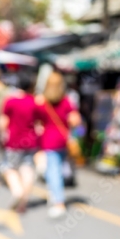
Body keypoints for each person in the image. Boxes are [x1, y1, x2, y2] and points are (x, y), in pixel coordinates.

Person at [35, 71, 81, 219]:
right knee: (59, 170)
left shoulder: (42, 102)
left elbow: (37, 121)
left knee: (53, 171)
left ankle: (58, 201)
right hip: (63, 139)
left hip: (49, 141)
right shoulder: (66, 101)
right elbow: (76, 120)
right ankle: (55, 195)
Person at [0, 74, 38, 213]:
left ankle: (17, 191)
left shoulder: (10, 101)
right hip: (31, 141)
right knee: (27, 169)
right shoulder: (34, 101)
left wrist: (1, 136)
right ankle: (23, 203)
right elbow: (39, 122)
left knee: (8, 168)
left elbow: (3, 122)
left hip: (14, 141)